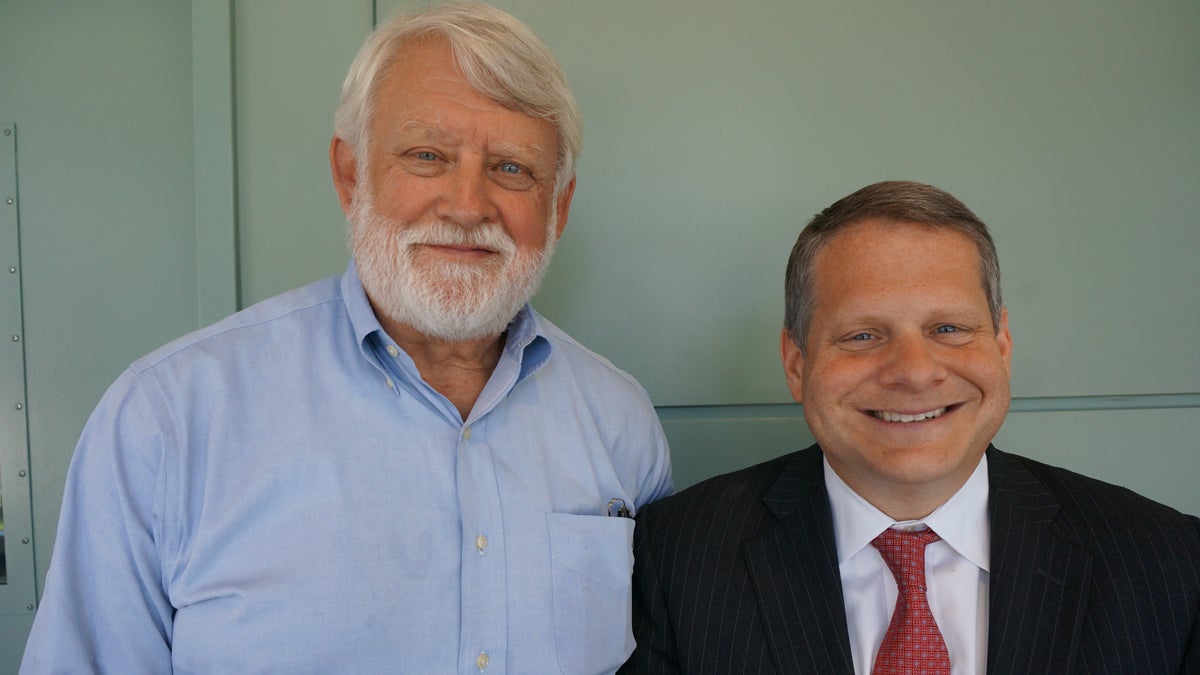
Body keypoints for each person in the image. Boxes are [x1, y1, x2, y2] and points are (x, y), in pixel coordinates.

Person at [22, 4, 671, 673]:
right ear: (350, 174)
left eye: (511, 168)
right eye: (428, 155)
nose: (468, 204)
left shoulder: (620, 422)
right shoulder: (168, 420)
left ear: (557, 208)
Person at [621, 180, 1198, 674]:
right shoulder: (678, 557)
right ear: (797, 364)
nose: (915, 373)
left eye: (948, 328)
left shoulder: (1167, 563)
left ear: (1001, 345)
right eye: (863, 336)